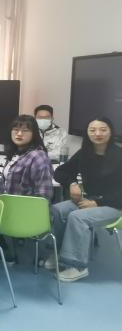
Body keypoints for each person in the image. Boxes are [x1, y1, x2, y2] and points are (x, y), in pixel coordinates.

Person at [47, 117, 122, 282]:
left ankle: (78, 266)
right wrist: (72, 183)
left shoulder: (119, 156)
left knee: (77, 217)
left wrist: (97, 203)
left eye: (103, 129)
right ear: (87, 133)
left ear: (111, 132)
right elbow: (60, 172)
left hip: (114, 205)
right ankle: (60, 253)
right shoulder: (85, 153)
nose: (97, 133)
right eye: (92, 130)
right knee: (58, 210)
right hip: (88, 200)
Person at [0, 115, 54, 263]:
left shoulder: (38, 157)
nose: (19, 134)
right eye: (15, 129)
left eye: (25, 130)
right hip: (10, 208)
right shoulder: (16, 153)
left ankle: (4, 251)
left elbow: (43, 196)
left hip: (24, 214)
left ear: (34, 133)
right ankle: (4, 248)